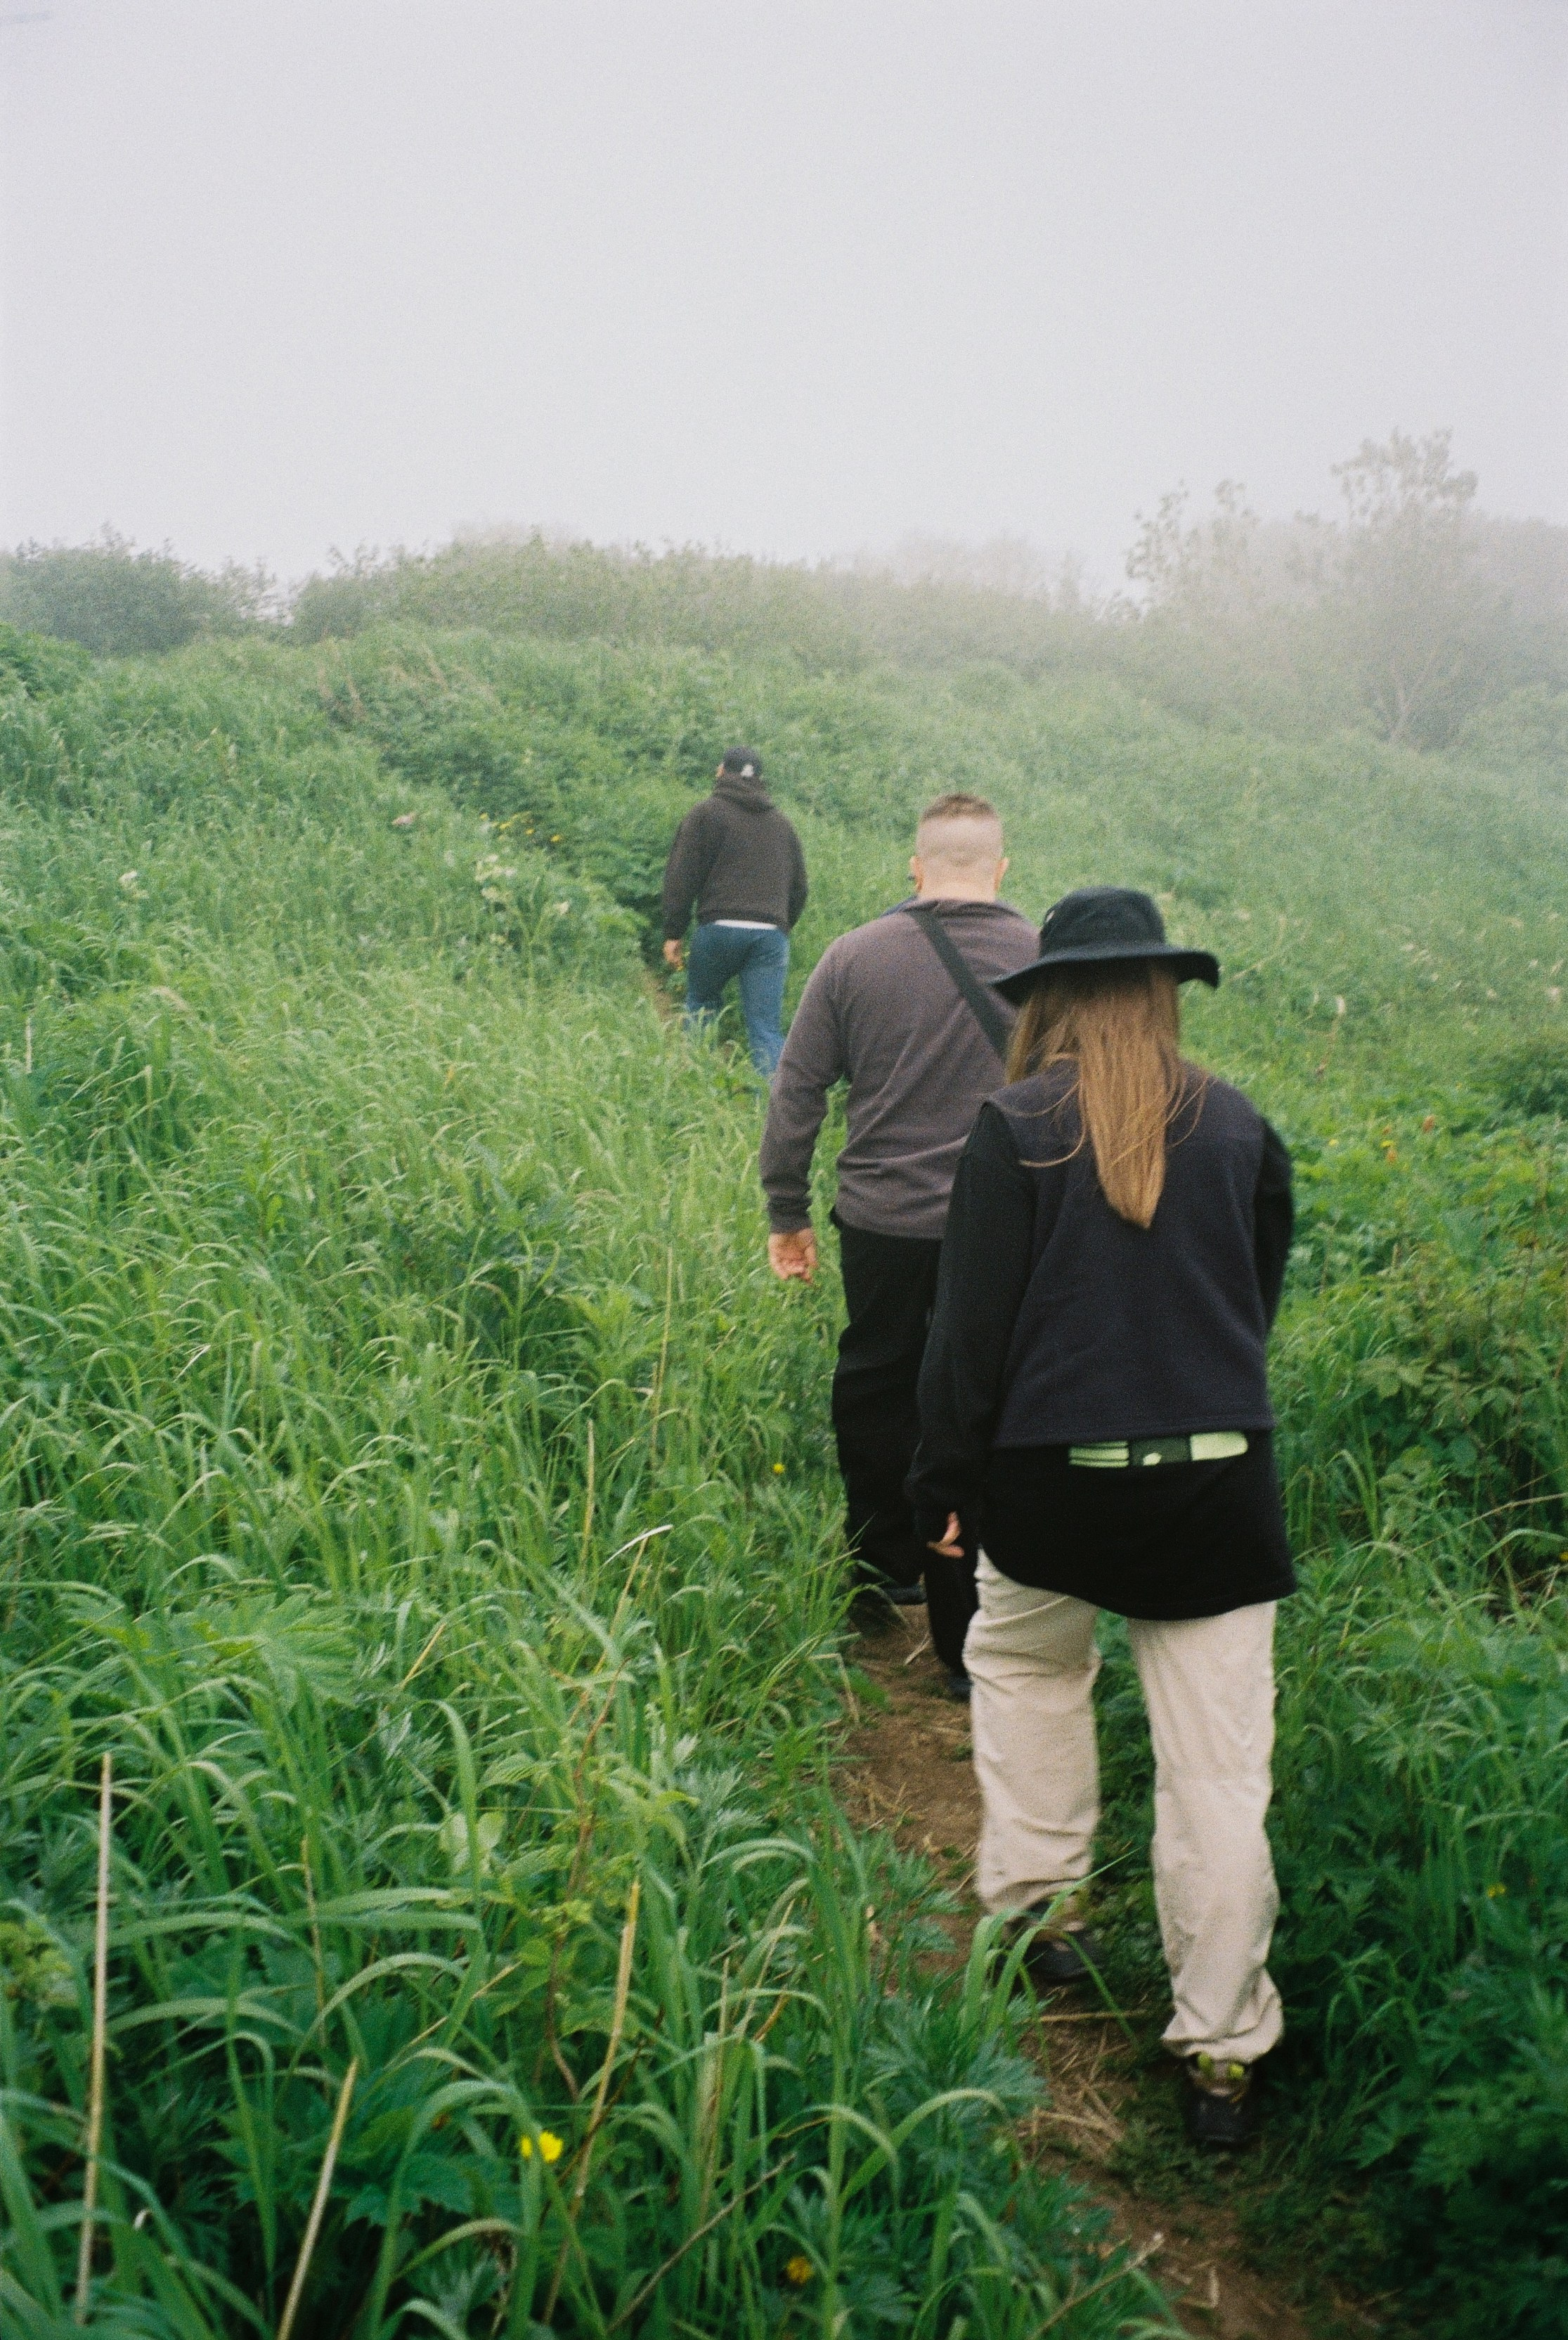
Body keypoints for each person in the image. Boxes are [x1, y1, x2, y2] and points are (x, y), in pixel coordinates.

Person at [908, 885, 1295, 2148]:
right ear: (1164, 991)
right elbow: (1254, 1295)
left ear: (1052, 1001)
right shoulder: (1241, 1126)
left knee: (1023, 1666)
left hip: (1052, 1477)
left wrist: (944, 1485)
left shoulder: (1013, 1124)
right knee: (1219, 1773)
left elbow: (968, 1335)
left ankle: (1036, 1916)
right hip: (1214, 1484)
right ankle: (1223, 2055)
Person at [759, 793, 1038, 1691]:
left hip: (882, 1219)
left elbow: (797, 1091)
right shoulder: (1045, 959)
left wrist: (786, 1209)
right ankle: (986, 1585)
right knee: (992, 1391)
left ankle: (882, 1560)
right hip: (1008, 1224)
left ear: (914, 867)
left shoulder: (852, 956)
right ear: (999, 869)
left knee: (879, 1375)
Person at [661, 748, 808, 1077]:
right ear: (760, 779)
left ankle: (695, 1090)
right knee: (765, 1029)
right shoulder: (782, 825)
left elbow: (681, 877)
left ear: (720, 772)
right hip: (769, 936)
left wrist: (673, 932)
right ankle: (775, 1116)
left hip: (719, 927)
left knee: (701, 1005)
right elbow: (799, 889)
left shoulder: (705, 814)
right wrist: (781, 926)